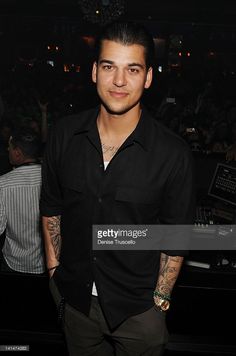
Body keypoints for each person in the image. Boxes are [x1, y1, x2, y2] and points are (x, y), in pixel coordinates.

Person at [41, 21, 195, 356]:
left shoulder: (173, 154)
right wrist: (54, 272)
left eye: (133, 69)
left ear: (149, 77)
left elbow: (176, 236)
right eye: (109, 66)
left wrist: (161, 299)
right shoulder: (64, 136)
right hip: (75, 303)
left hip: (138, 311)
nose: (120, 81)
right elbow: (52, 208)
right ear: (95, 71)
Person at [0, 127, 45, 274]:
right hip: (47, 263)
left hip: (15, 263)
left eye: (10, 147)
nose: (7, 150)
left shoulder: (4, 183)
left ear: (18, 153)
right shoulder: (52, 178)